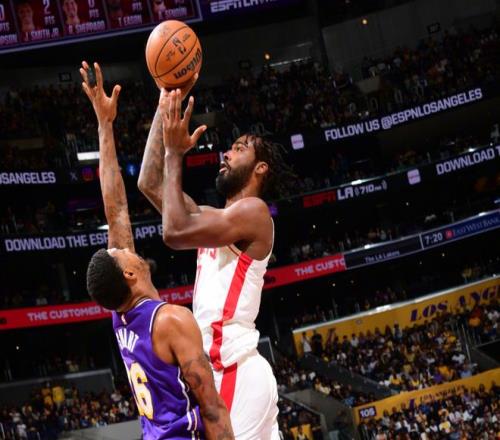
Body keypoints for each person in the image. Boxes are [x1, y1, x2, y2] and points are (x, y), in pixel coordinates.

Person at [80, 61, 234, 440]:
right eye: (121, 253)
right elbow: (211, 408)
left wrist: (105, 125)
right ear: (130, 274)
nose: (124, 247)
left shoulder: (121, 318)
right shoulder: (171, 321)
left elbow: (115, 208)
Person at [138, 86, 294, 439]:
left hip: (233, 364)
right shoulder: (212, 219)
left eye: (239, 149)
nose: (227, 153)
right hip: (225, 368)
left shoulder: (255, 213)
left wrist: (175, 154)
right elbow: (149, 182)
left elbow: (173, 231)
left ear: (261, 168)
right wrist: (164, 108)